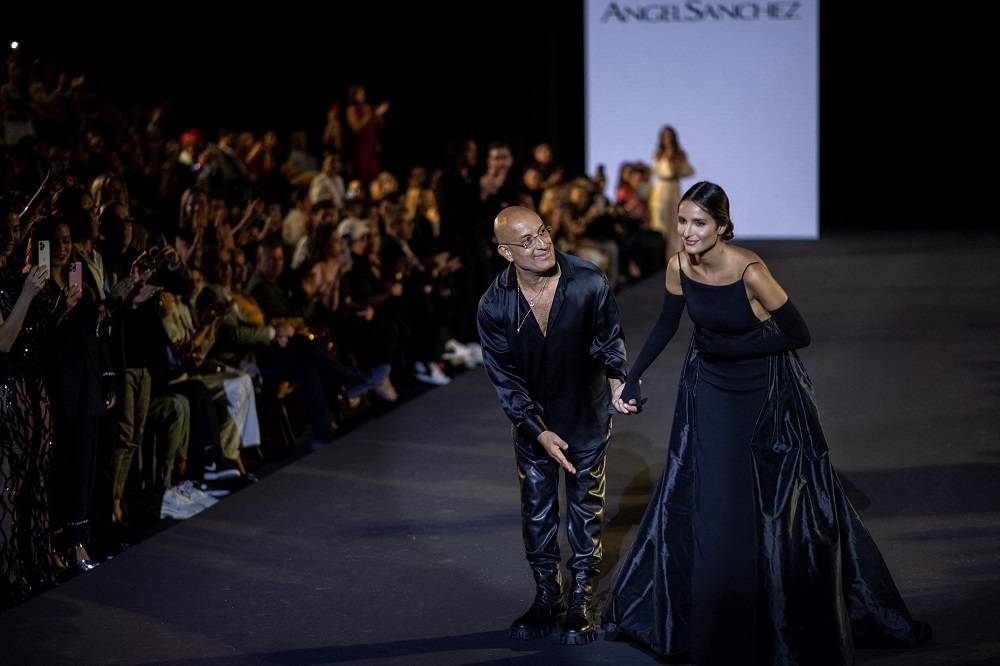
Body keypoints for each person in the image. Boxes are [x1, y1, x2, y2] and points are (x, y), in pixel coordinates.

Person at [602, 181, 931, 665]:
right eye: (682, 222)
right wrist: (630, 378)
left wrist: (736, 346)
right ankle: (717, 617)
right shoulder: (677, 266)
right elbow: (666, 326)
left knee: (772, 499)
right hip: (709, 387)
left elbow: (799, 333)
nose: (688, 233)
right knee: (713, 497)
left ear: (722, 227)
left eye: (699, 224)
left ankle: (775, 614)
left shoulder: (750, 270)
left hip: (765, 390)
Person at [477, 205, 628, 646]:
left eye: (543, 231)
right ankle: (548, 598)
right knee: (538, 516)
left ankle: (581, 599)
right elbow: (503, 378)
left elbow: (609, 342)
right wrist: (537, 431)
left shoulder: (589, 281)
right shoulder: (493, 304)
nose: (541, 243)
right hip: (535, 425)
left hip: (586, 415)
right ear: (506, 252)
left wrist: (619, 380)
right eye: (526, 241)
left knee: (585, 512)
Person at [648, 125, 694, 259]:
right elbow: (660, 170)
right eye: (665, 136)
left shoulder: (679, 153)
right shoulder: (658, 153)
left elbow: (689, 170)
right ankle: (659, 254)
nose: (667, 138)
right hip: (661, 189)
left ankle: (674, 255)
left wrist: (677, 166)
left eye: (669, 136)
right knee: (660, 221)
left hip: (673, 188)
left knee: (675, 221)